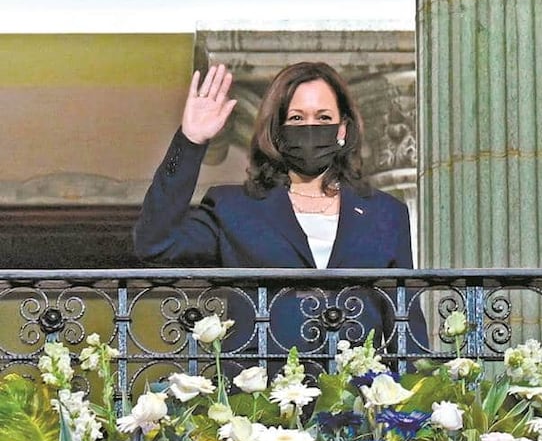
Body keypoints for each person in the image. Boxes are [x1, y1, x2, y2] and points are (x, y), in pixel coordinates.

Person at [134, 61, 426, 356]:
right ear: (277, 130)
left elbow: (405, 321)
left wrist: (416, 395)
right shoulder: (234, 208)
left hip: (359, 393)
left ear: (342, 129)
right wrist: (190, 142)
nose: (310, 127)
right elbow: (156, 243)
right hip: (262, 393)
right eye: (297, 118)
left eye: (323, 117)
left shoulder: (385, 213)